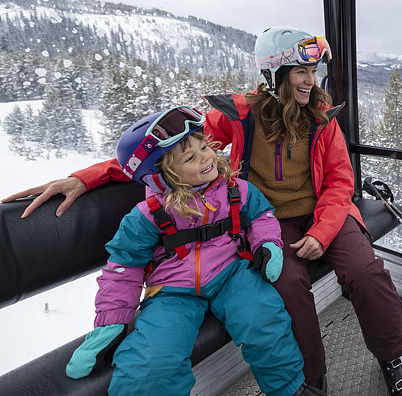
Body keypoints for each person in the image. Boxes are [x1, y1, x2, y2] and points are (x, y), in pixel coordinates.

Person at [4, 28, 402, 396]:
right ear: (275, 77)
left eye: (314, 71)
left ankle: (393, 355)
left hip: (327, 215)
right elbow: (167, 150)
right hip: (271, 222)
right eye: (300, 72)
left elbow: (340, 183)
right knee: (288, 287)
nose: (311, 81)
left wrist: (324, 232)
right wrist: (88, 177)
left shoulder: (322, 122)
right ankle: (308, 380)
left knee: (365, 270)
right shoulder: (241, 116)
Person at [64, 106, 323, 396]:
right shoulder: (146, 216)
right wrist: (110, 322)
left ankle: (289, 390)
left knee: (265, 320)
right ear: (161, 176)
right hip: (173, 291)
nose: (206, 157)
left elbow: (262, 217)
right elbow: (124, 266)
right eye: (190, 157)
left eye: (204, 146)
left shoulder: (236, 190)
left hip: (232, 273)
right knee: (152, 360)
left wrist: (267, 245)